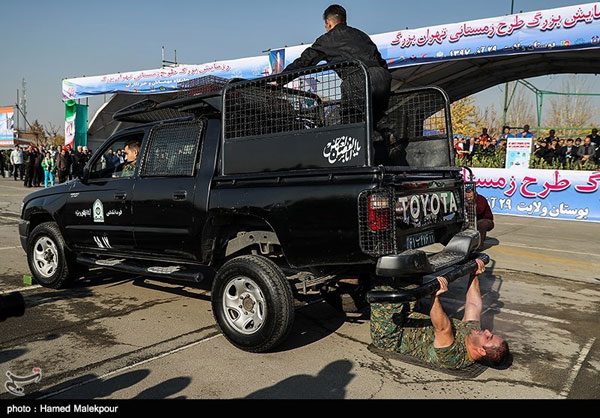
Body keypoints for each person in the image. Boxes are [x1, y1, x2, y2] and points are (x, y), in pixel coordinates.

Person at [370, 259, 509, 370]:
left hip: (391, 335)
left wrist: (435, 297)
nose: (486, 331)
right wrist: (474, 274)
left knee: (383, 284)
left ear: (481, 351)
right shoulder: (473, 334)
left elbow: (443, 328)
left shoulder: (454, 357)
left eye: (488, 337)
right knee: (409, 273)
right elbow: (473, 305)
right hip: (407, 317)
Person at [281, 5, 392, 127]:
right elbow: (380, 59)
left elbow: (304, 62)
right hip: (382, 77)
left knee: (350, 118)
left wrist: (279, 79)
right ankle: (389, 134)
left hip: (358, 77)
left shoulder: (327, 39)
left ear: (328, 23)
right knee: (375, 115)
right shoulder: (361, 35)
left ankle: (357, 144)